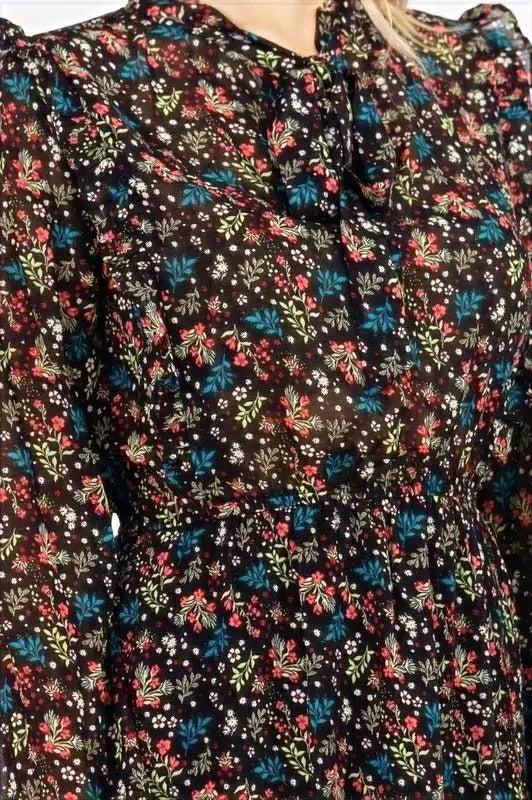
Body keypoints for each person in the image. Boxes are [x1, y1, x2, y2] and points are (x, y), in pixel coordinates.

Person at [0, 0, 530, 797]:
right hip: (212, 728)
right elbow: (35, 521)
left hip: (466, 723)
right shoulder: (65, 93)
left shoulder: (483, 82)